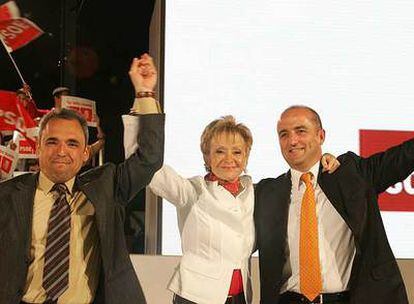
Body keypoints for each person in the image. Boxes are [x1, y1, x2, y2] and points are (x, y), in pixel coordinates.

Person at [0, 53, 164, 304]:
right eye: (52, 142)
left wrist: (144, 93)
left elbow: (149, 158)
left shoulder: (107, 186)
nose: (62, 151)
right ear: (37, 147)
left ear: (86, 152)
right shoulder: (7, 195)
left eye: (73, 143)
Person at [123, 114, 339, 304]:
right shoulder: (190, 191)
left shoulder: (255, 192)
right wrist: (142, 107)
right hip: (196, 298)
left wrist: (323, 161)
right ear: (207, 156)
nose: (229, 160)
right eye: (219, 151)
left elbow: (301, 178)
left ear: (246, 157)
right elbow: (144, 166)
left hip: (240, 298)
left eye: (237, 152)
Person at [254, 105, 411, 304]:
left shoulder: (352, 174)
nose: (292, 141)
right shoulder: (267, 192)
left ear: (321, 136)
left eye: (301, 131)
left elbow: (404, 157)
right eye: (283, 134)